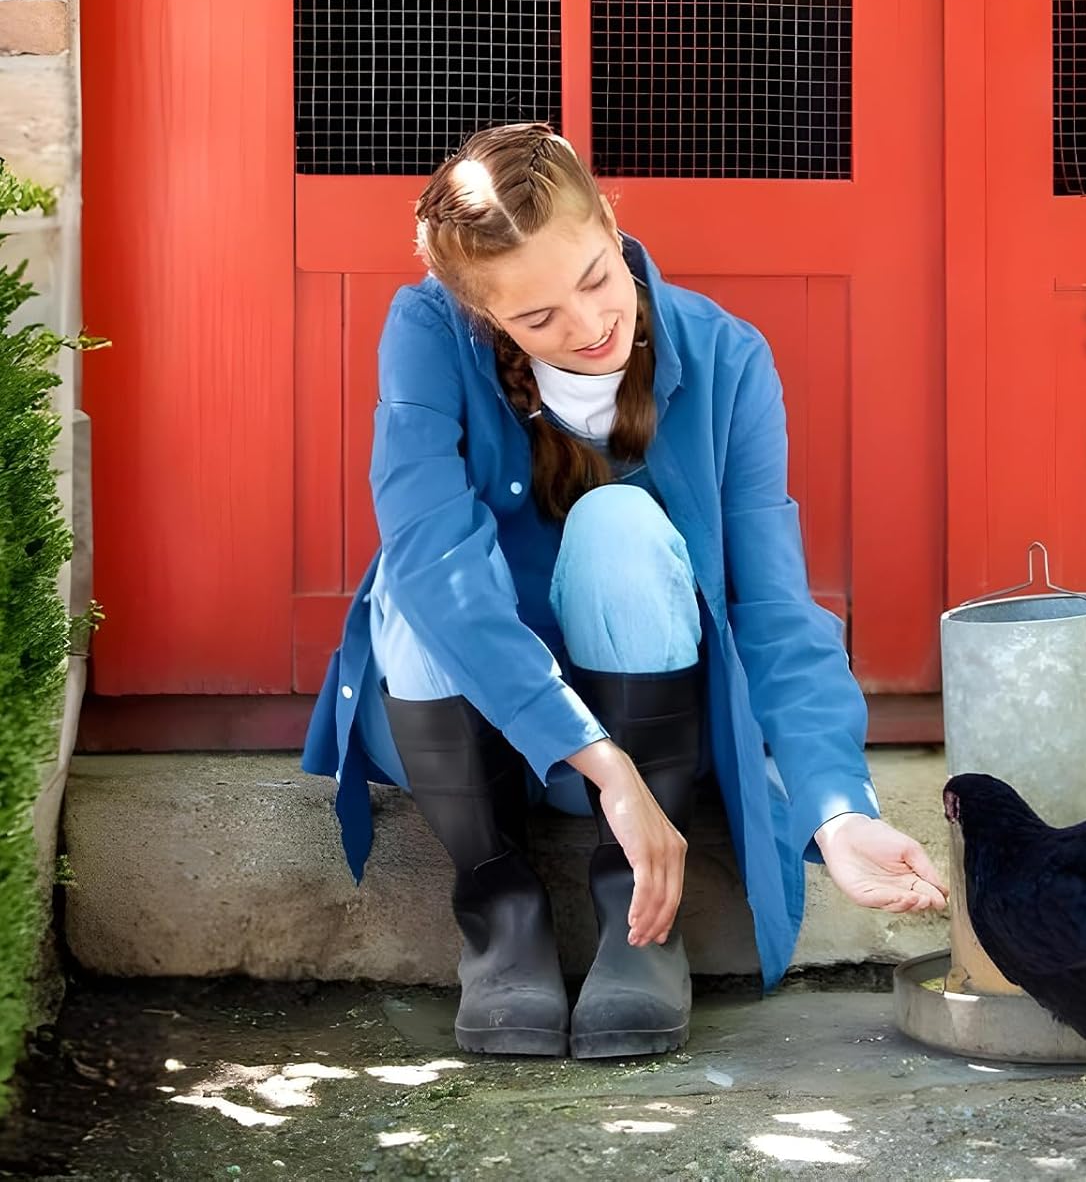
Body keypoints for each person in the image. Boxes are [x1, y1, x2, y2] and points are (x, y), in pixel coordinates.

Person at [302, 121, 947, 1061]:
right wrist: (607, 770)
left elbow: (772, 606)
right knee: (414, 582)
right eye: (537, 319)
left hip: (645, 732)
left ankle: (638, 917)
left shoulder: (727, 357)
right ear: (484, 316)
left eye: (597, 278)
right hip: (483, 736)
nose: (589, 326)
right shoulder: (428, 332)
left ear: (611, 222)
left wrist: (837, 810)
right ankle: (500, 908)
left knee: (622, 521)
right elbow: (434, 552)